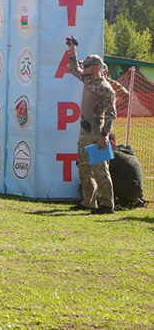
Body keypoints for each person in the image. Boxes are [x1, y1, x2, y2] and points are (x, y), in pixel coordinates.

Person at [66, 37, 117, 214]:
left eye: (87, 66)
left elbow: (111, 114)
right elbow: (73, 68)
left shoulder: (106, 88)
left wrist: (104, 135)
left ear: (97, 68)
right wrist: (72, 50)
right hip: (84, 131)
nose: (84, 69)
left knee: (100, 170)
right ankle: (89, 201)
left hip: (97, 133)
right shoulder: (88, 80)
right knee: (83, 168)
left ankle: (106, 204)